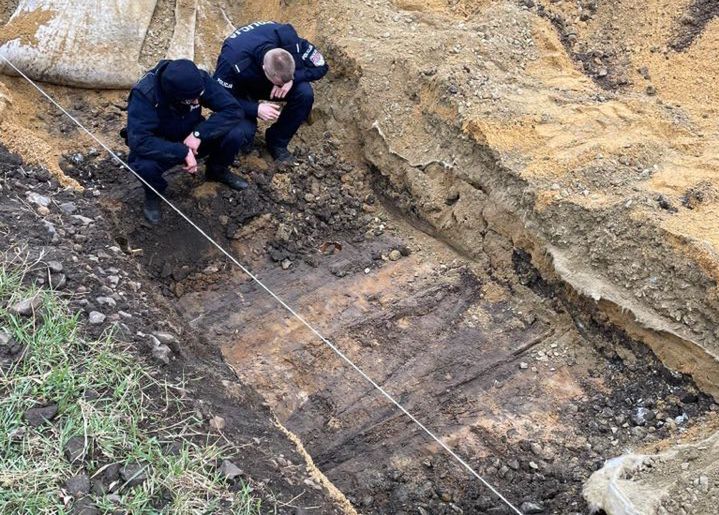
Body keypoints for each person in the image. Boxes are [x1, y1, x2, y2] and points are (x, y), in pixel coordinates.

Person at [125, 59, 254, 224]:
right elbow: (140, 141)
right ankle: (154, 193)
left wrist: (198, 134)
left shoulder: (197, 81)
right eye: (189, 100)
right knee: (142, 165)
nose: (195, 102)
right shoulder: (145, 94)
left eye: (198, 98)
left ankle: (217, 170)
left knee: (234, 133)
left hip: (194, 134)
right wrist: (181, 151)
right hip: (162, 142)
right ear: (171, 94)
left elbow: (233, 110)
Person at [214, 21, 329, 163]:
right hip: (241, 90)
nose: (284, 84)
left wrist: (293, 79)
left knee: (304, 93)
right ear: (264, 69)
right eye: (280, 82)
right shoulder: (232, 59)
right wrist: (255, 109)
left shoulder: (290, 41)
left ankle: (277, 141)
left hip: (273, 82)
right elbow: (218, 96)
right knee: (243, 137)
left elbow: (322, 67)